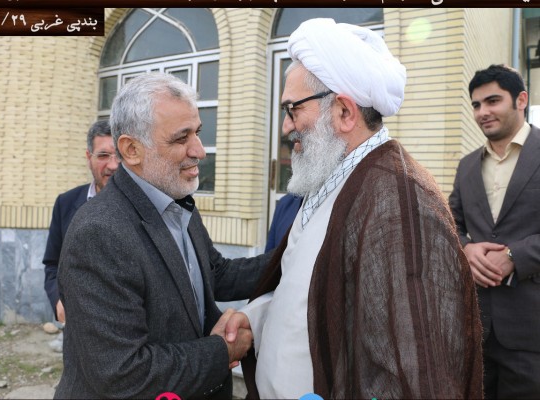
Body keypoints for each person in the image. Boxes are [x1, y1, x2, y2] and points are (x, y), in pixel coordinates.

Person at [224, 18, 484, 399]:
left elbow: (416, 374)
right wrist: (257, 318)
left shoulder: (400, 204)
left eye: (292, 109)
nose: (285, 127)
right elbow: (312, 296)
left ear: (345, 112)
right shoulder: (334, 179)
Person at [54, 72, 270, 399]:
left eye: (197, 133)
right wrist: (224, 350)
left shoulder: (175, 200)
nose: (199, 150)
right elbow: (123, 373)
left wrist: (296, 254)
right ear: (132, 149)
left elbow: (215, 274)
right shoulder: (98, 232)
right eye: (181, 139)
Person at [448, 64, 540, 399]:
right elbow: (449, 223)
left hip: (532, 331)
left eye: (492, 101)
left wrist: (517, 256)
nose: (482, 112)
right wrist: (465, 248)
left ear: (521, 100)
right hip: (476, 328)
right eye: (476, 105)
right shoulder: (466, 166)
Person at [43, 120, 119, 326]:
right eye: (103, 155)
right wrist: (58, 301)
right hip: (79, 328)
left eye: (119, 156)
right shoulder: (66, 203)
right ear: (88, 157)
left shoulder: (144, 205)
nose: (113, 165)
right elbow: (53, 264)